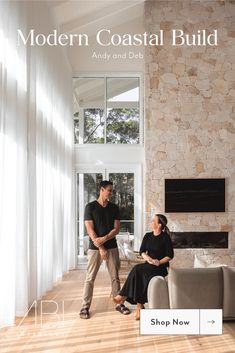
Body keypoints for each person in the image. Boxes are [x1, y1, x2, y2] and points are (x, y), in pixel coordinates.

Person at [79, 180, 130, 319]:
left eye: (112, 190)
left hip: (112, 246)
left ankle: (119, 303)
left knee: (115, 277)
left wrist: (105, 239)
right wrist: (101, 247)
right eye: (109, 190)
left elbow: (117, 228)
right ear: (102, 189)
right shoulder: (90, 207)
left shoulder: (114, 208)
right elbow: (90, 229)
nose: (111, 193)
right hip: (94, 248)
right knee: (90, 278)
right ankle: (84, 307)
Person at [113, 214, 174, 320]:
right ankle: (139, 307)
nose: (151, 222)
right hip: (148, 265)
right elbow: (142, 252)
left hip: (160, 267)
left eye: (153, 221)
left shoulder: (165, 237)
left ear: (159, 225)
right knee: (140, 273)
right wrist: (148, 258)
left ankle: (125, 296)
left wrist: (158, 262)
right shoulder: (148, 236)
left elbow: (170, 256)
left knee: (138, 270)